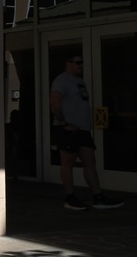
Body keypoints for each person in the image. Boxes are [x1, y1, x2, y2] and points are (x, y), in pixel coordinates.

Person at [50, 54, 122, 211]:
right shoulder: (62, 80)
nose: (81, 65)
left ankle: (98, 197)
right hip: (69, 129)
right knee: (67, 163)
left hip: (83, 129)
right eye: (78, 62)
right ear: (68, 63)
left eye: (82, 62)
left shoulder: (80, 81)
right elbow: (55, 101)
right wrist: (63, 123)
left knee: (90, 162)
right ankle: (70, 197)